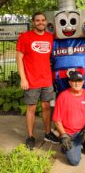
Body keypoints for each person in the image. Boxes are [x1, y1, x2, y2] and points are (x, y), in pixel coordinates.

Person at [16, 12, 59, 150]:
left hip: (46, 79)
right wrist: (23, 78)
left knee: (46, 107)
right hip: (31, 80)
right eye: (37, 20)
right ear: (33, 22)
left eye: (42, 20)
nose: (40, 22)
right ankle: (30, 136)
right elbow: (19, 58)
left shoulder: (50, 37)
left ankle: (47, 133)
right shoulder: (25, 36)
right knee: (31, 109)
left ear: (46, 22)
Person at [52, 71, 85, 166]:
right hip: (69, 134)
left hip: (83, 132)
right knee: (74, 161)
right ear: (70, 82)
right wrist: (63, 135)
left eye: (79, 81)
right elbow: (56, 119)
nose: (77, 83)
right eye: (74, 81)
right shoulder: (62, 96)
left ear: (83, 82)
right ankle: (68, 144)